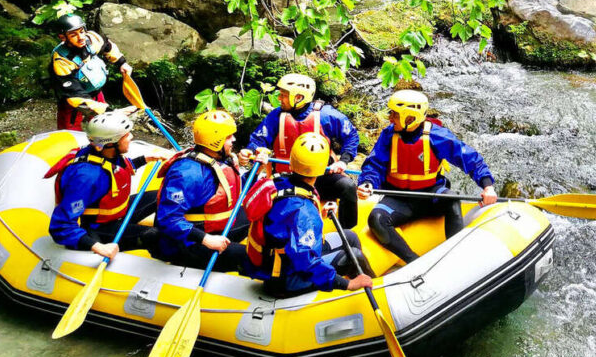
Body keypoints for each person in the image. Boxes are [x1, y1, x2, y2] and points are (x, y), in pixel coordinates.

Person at [357, 90, 497, 265]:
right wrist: (367, 182)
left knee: (451, 199)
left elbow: (469, 158)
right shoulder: (388, 135)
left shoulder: (437, 136)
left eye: (394, 114)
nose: (390, 118)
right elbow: (374, 164)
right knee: (376, 219)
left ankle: (457, 257)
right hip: (398, 198)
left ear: (410, 117)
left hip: (430, 196)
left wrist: (487, 186)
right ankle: (414, 262)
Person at [242, 132, 374, 297]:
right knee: (354, 255)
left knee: (350, 236)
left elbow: (285, 220)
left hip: (284, 258)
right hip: (287, 279)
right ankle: (370, 285)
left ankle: (356, 281)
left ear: (292, 162)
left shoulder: (282, 181)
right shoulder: (302, 209)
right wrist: (348, 284)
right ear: (321, 168)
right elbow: (305, 261)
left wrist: (322, 214)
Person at [245, 73, 361, 228]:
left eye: (284, 95)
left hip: (320, 177)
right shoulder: (276, 116)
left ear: (298, 97)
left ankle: (348, 230)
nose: (279, 99)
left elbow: (351, 135)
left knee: (348, 187)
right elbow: (258, 139)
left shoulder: (326, 115)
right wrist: (253, 151)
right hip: (286, 178)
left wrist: (343, 161)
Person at [46, 109, 157, 257]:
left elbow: (115, 168)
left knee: (161, 195)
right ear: (110, 144)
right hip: (99, 228)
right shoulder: (85, 178)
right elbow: (61, 225)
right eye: (125, 135)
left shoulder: (105, 152)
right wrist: (99, 247)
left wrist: (145, 159)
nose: (131, 137)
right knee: (154, 235)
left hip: (118, 214)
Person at [148, 110, 249, 272]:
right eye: (229, 137)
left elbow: (236, 190)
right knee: (251, 257)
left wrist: (256, 172)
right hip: (185, 243)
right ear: (215, 140)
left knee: (256, 215)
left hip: (211, 227)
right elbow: (168, 219)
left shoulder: (220, 159)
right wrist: (207, 240)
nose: (234, 140)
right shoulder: (187, 173)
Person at [50, 14, 131, 131]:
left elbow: (107, 46)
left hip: (96, 93)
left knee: (106, 126)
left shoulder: (91, 39)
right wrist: (104, 109)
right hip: (72, 101)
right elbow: (74, 94)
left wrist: (122, 62)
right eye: (74, 35)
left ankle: (102, 146)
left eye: (82, 31)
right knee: (69, 132)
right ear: (63, 37)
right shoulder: (61, 60)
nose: (81, 37)